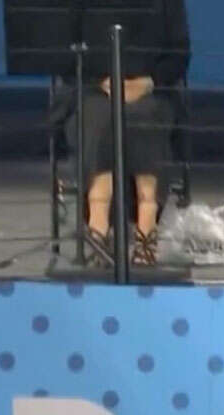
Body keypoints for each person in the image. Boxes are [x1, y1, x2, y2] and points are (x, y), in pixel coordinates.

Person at [62, 0, 191, 269]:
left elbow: (180, 54)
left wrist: (149, 82)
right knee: (98, 118)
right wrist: (103, 83)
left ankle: (146, 231)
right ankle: (98, 228)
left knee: (146, 118)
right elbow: (68, 52)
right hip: (97, 88)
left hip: (151, 89)